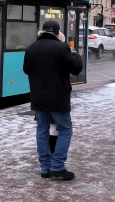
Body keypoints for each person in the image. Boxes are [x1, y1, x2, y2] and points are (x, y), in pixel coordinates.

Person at [23, 21, 83, 180]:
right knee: (65, 129)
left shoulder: (31, 48)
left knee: (42, 131)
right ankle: (57, 166)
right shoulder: (61, 48)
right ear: (57, 33)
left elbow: (26, 70)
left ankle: (45, 168)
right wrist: (75, 54)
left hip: (39, 98)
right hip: (58, 99)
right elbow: (76, 68)